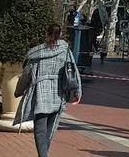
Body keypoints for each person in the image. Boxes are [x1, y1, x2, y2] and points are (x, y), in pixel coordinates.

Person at [14, 23, 81, 157]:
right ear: (60, 34)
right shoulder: (66, 51)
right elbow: (74, 71)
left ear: (47, 33)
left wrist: (19, 91)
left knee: (40, 131)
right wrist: (77, 92)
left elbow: (26, 74)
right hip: (58, 94)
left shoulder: (36, 53)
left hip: (40, 95)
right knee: (50, 131)